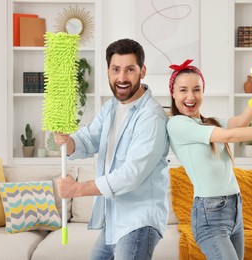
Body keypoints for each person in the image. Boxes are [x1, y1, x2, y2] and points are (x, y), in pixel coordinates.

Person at [166, 59, 252, 260]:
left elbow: (240, 122)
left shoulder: (207, 122)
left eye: (197, 89)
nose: (191, 96)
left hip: (234, 207)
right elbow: (228, 136)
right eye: (183, 90)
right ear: (173, 94)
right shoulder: (177, 125)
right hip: (210, 214)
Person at [54, 38, 169, 260]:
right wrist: (67, 142)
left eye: (130, 70)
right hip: (115, 219)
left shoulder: (152, 117)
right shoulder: (111, 107)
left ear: (142, 71)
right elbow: (88, 139)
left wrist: (77, 189)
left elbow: (130, 175)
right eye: (116, 70)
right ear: (108, 71)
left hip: (139, 221)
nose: (122, 78)